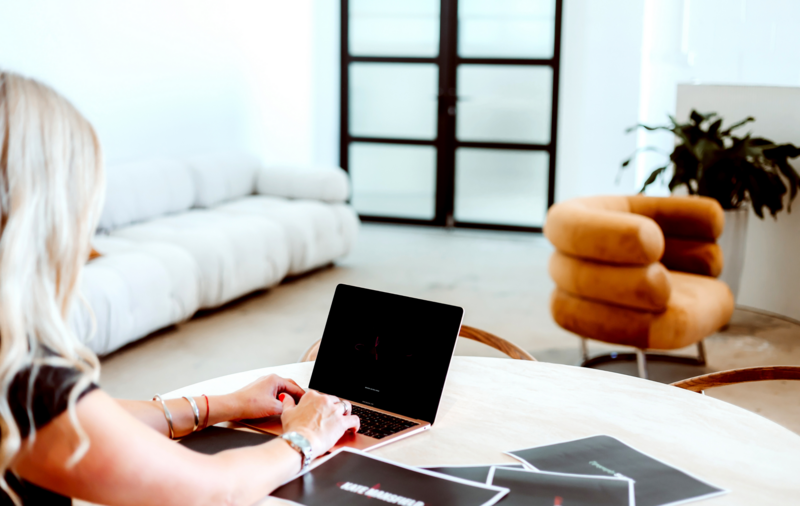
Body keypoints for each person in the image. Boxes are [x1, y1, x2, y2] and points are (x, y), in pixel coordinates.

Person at [0, 71, 360, 505]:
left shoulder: (27, 385)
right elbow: (213, 491)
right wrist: (306, 436)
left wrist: (221, 405)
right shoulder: (25, 384)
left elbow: (87, 417)